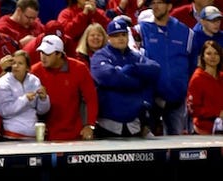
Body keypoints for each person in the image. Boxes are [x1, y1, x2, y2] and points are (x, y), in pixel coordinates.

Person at [90, 18, 161, 138]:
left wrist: (132, 68)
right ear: (109, 38)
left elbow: (156, 69)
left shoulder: (135, 57)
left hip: (134, 124)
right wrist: (138, 82)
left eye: (123, 34)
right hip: (108, 124)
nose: (121, 38)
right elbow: (108, 77)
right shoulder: (100, 56)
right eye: (116, 35)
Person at [135, 0, 195, 135]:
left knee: (177, 146)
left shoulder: (186, 32)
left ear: (169, 6)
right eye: (153, 3)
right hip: (150, 98)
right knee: (146, 147)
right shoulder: (141, 30)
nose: (155, 6)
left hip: (177, 99)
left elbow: (192, 65)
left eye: (160, 2)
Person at [30, 34, 98, 141]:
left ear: (58, 54)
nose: (43, 56)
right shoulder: (35, 71)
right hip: (46, 136)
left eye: (47, 53)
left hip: (75, 134)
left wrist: (89, 125)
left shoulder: (79, 69)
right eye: (41, 52)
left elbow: (91, 99)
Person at [0, 49, 51, 139]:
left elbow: (42, 111)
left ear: (27, 68)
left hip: (33, 134)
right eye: (13, 63)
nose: (15, 66)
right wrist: (24, 99)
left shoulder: (34, 80)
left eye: (20, 63)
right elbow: (4, 111)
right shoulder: (3, 82)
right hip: (12, 135)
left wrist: (44, 99)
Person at [187, 40, 223, 134]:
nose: (213, 57)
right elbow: (193, 109)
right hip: (203, 130)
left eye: (216, 53)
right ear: (202, 56)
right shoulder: (197, 78)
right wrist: (217, 113)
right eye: (209, 53)